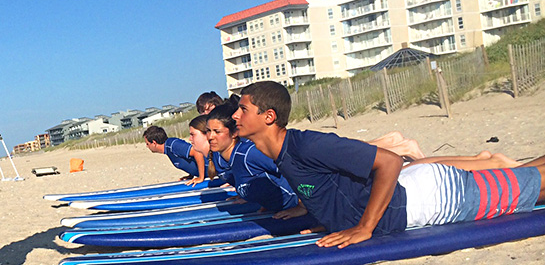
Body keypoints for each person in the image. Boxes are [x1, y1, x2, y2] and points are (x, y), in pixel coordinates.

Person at [232, 81, 545, 249]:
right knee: (529, 180)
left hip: (433, 198)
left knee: (535, 186)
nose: (235, 116)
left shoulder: (306, 144)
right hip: (420, 196)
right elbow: (331, 186)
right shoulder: (285, 154)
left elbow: (390, 161)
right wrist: (325, 214)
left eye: (243, 109)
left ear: (269, 116)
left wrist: (364, 228)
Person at [204, 101, 299, 212]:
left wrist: (302, 206)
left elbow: (299, 170)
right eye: (208, 131)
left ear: (234, 133)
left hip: (300, 209)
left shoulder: (249, 154)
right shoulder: (224, 160)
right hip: (276, 212)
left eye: (217, 131)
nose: (210, 136)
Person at [143, 126, 208, 185]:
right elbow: (189, 158)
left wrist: (200, 177)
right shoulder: (168, 149)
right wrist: (191, 175)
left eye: (147, 144)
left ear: (154, 143)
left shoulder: (173, 145)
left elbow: (197, 152)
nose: (147, 146)